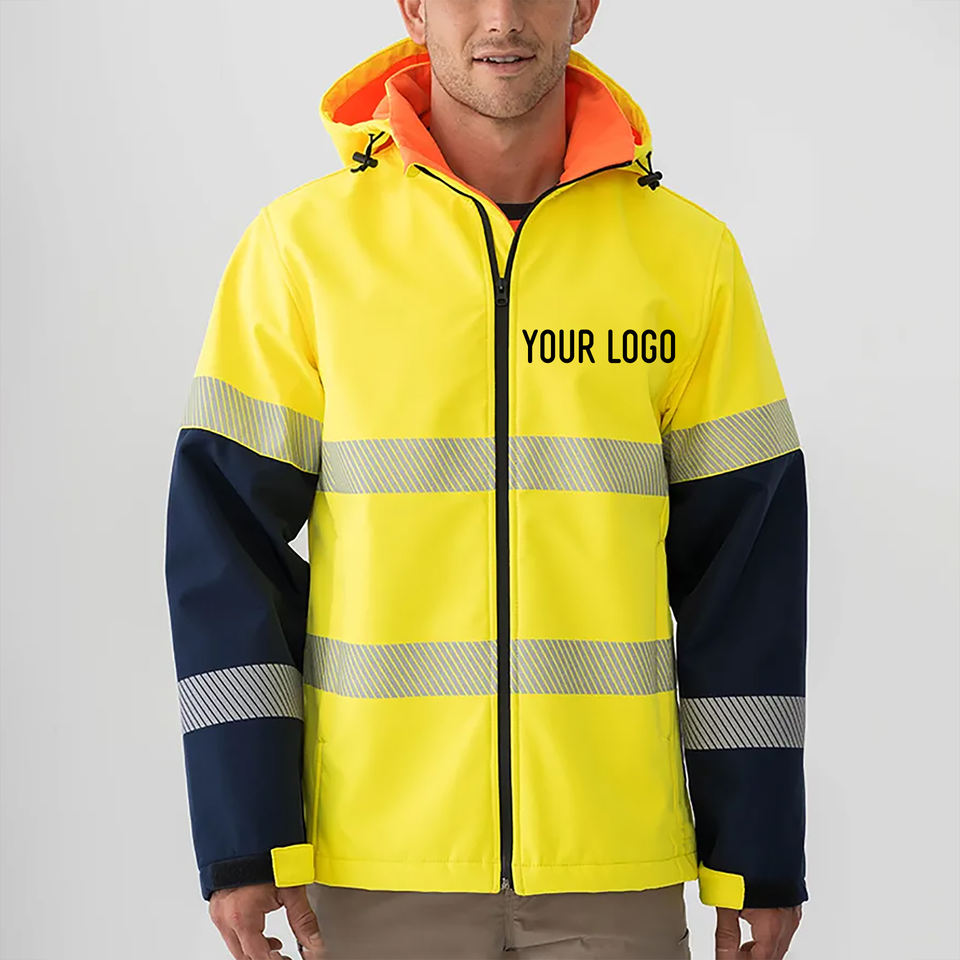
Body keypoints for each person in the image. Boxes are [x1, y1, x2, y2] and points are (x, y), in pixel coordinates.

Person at [163, 1, 809, 958]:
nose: (501, 17)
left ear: (583, 7)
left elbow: (746, 579)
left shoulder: (687, 257)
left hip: (612, 863)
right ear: (414, 8)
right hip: (379, 863)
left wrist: (754, 850)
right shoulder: (303, 250)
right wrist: (244, 834)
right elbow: (223, 555)